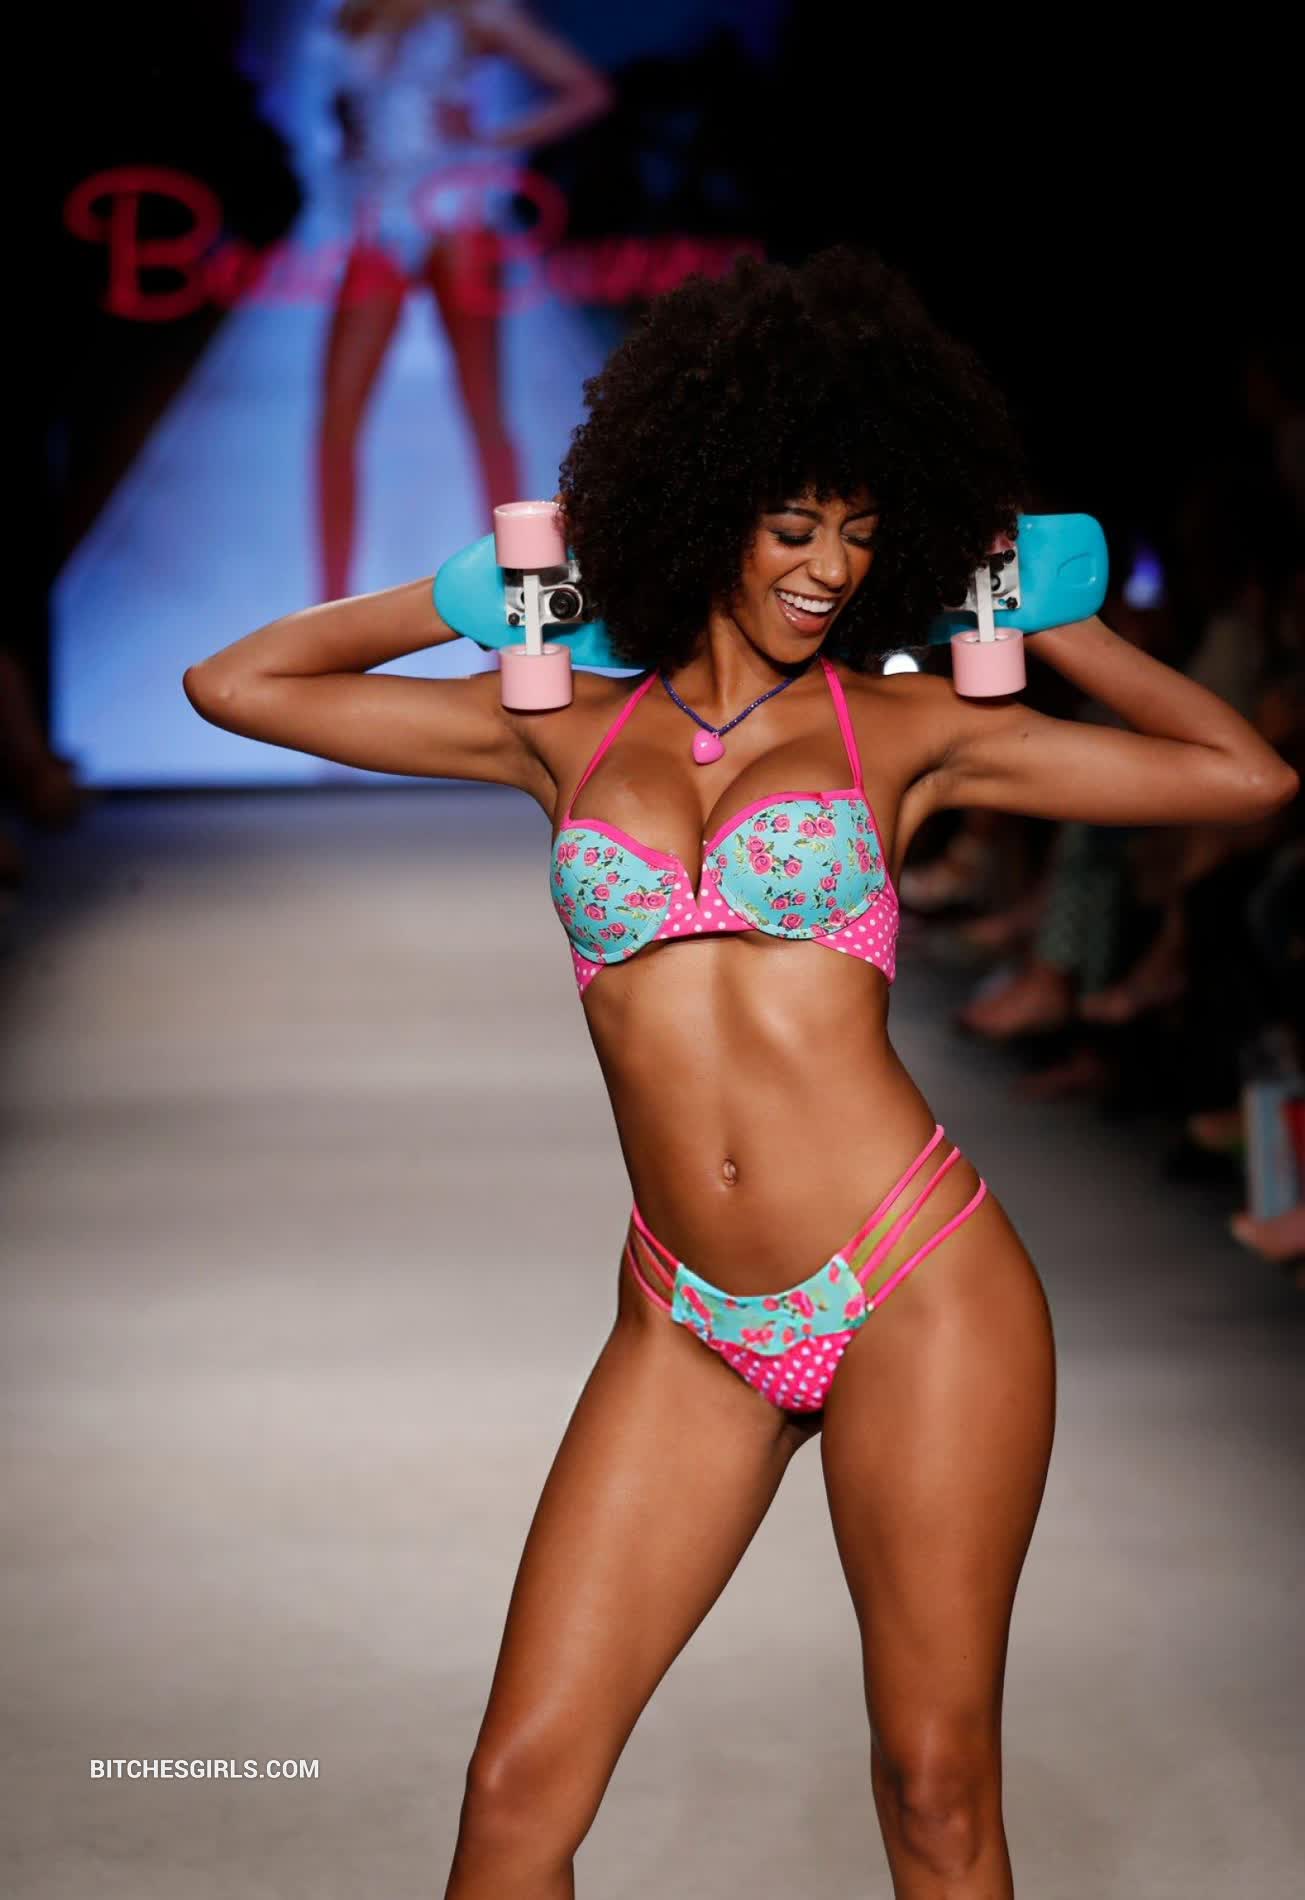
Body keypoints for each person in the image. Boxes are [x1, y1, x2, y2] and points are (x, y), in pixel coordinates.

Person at [182, 246, 1300, 1899]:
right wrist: (468, 592)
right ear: (700, 506)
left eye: (862, 531)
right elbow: (235, 685)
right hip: (687, 1314)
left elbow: (1244, 777)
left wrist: (1046, 623)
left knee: (933, 1791)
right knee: (513, 1800)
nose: (832, 569)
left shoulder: (902, 732)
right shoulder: (557, 727)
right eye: (793, 528)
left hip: (915, 1288)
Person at [309, 0, 613, 598]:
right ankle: (329, 612)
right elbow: (354, 115)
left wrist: (490, 136)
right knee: (336, 423)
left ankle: (526, 597)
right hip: (379, 222)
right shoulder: (355, 13)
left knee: (484, 413)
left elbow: (588, 91)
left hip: (459, 215)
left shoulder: (473, 12)